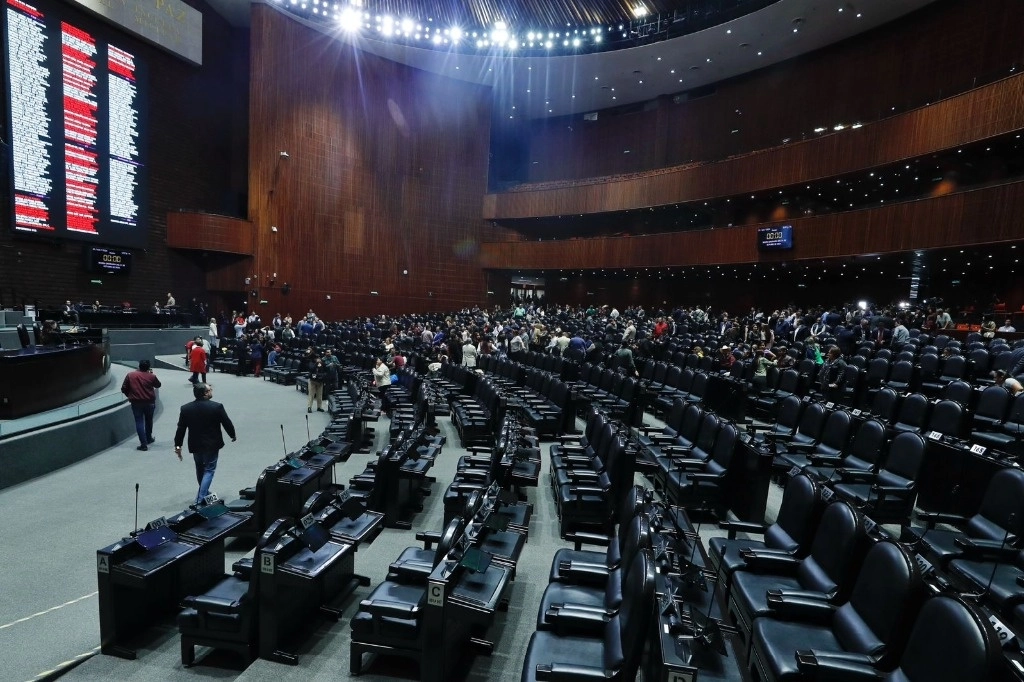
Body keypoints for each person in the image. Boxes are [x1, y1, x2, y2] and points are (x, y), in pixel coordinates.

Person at [174, 382, 235, 505]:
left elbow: (181, 428)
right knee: (209, 470)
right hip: (212, 445)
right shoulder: (216, 407)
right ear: (205, 393)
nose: (211, 390)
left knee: (200, 468)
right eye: (210, 389)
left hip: (195, 444)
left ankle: (205, 493)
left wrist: (178, 445)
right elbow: (226, 422)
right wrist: (232, 434)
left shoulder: (186, 408)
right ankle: (199, 499)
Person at [121, 359, 162, 451]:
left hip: (136, 403)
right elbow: (158, 385)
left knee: (139, 422)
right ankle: (148, 438)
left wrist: (130, 395)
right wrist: (151, 374)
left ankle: (143, 444)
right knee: (149, 420)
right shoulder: (151, 376)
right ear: (148, 367)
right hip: (149, 402)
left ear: (139, 366)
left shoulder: (130, 375)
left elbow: (124, 388)